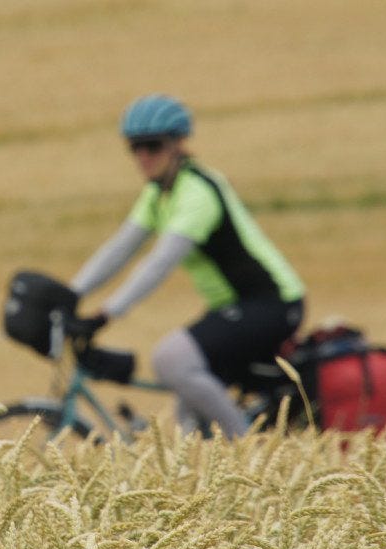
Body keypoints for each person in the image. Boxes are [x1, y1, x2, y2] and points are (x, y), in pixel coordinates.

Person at [69, 94, 305, 439]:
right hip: (233, 307)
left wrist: (106, 314)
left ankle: (251, 455)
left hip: (272, 303)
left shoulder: (197, 193)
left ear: (179, 144)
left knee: (170, 359)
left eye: (153, 146)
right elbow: (119, 249)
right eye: (134, 148)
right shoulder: (160, 193)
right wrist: (69, 293)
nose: (143, 156)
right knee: (187, 416)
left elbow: (160, 263)